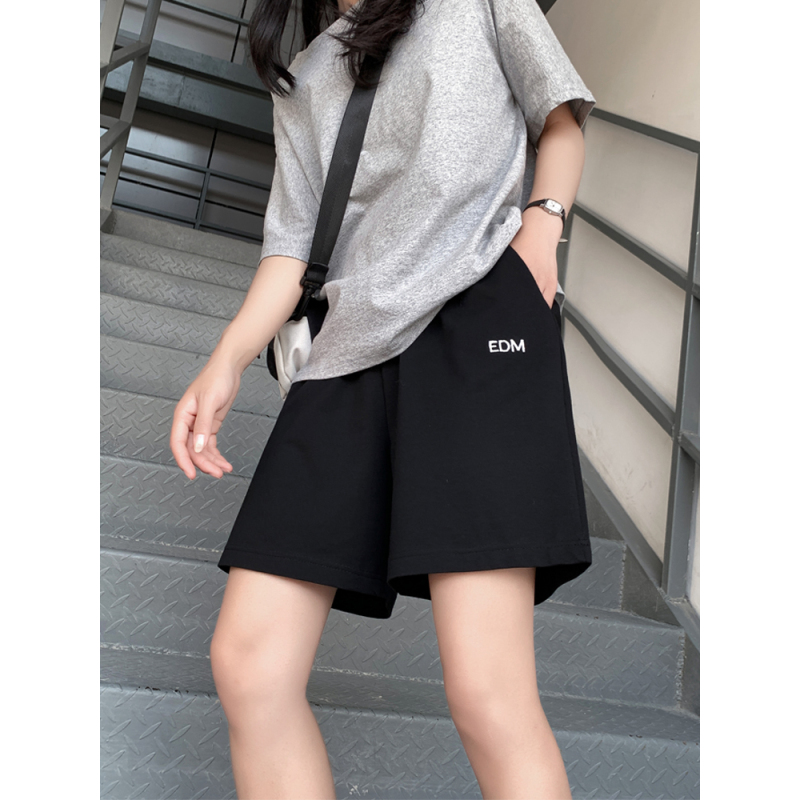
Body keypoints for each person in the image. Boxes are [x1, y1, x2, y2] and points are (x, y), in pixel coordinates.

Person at [170, 0, 596, 797]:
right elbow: (291, 245)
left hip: (473, 321)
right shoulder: (307, 71)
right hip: (347, 350)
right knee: (249, 664)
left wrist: (540, 232)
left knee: (487, 693)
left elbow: (560, 114)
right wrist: (226, 358)